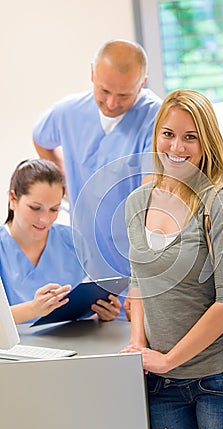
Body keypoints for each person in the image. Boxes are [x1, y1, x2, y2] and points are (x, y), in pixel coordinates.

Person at [123, 90, 223, 429]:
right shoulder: (138, 201)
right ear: (156, 136)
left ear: (206, 142)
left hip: (217, 382)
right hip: (160, 384)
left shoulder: (220, 203)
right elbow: (139, 280)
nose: (176, 146)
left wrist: (169, 359)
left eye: (190, 136)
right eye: (168, 133)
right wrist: (138, 343)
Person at [32, 39, 162, 294]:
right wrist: (64, 184)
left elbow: (151, 195)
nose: (112, 103)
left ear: (142, 83)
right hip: (89, 257)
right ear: (92, 73)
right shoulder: (68, 112)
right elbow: (40, 137)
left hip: (139, 260)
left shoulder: (158, 118)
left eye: (124, 95)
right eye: (104, 91)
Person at [0, 159, 121, 324]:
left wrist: (101, 313)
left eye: (54, 209)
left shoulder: (71, 241)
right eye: (35, 208)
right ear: (13, 199)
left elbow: (78, 309)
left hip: (72, 345)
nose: (45, 219)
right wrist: (33, 310)